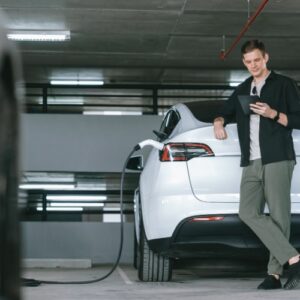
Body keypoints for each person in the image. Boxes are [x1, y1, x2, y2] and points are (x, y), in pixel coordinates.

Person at [213, 39, 300, 290]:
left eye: (257, 60)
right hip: (251, 160)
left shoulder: (284, 84)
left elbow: (298, 117)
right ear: (244, 62)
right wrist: (219, 122)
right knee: (247, 212)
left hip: (277, 158)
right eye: (248, 62)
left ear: (266, 58)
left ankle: (273, 274)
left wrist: (274, 114)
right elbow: (224, 111)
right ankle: (293, 258)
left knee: (279, 216)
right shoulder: (242, 88)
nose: (253, 65)